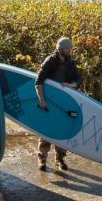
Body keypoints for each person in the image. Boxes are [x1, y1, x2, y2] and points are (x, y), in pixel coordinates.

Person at [35, 36, 82, 171]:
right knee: (46, 131)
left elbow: (78, 78)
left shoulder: (70, 63)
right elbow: (38, 82)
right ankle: (42, 160)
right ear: (60, 49)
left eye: (70, 48)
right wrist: (41, 100)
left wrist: (72, 84)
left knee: (61, 131)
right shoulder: (50, 62)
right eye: (68, 48)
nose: (70, 50)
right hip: (48, 100)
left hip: (63, 101)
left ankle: (59, 159)